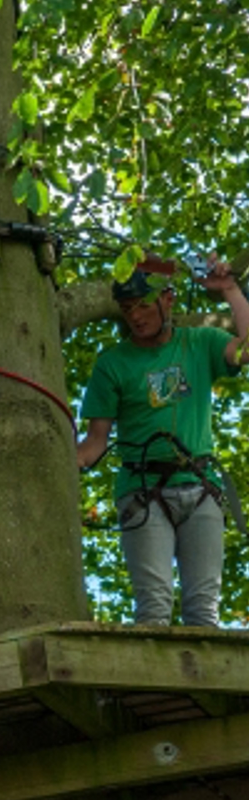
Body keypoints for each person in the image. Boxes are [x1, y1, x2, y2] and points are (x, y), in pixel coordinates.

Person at [75, 255, 249, 626]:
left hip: (199, 487)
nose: (135, 316)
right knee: (153, 608)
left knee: (204, 611)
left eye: (141, 304)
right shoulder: (113, 364)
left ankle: (202, 685)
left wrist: (231, 290)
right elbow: (96, 440)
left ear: (167, 299)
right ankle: (155, 687)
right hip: (143, 491)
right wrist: (67, 462)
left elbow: (246, 349)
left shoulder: (200, 342)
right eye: (126, 308)